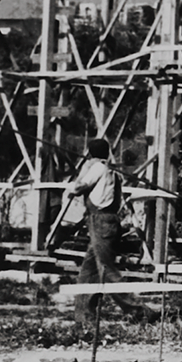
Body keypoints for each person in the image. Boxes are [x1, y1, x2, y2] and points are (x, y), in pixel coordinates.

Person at [68, 136, 123, 319]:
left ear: (90, 153)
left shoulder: (98, 168)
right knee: (89, 270)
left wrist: (84, 168)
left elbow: (77, 189)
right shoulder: (109, 169)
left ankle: (138, 309)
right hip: (104, 219)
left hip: (100, 220)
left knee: (106, 269)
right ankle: (83, 312)